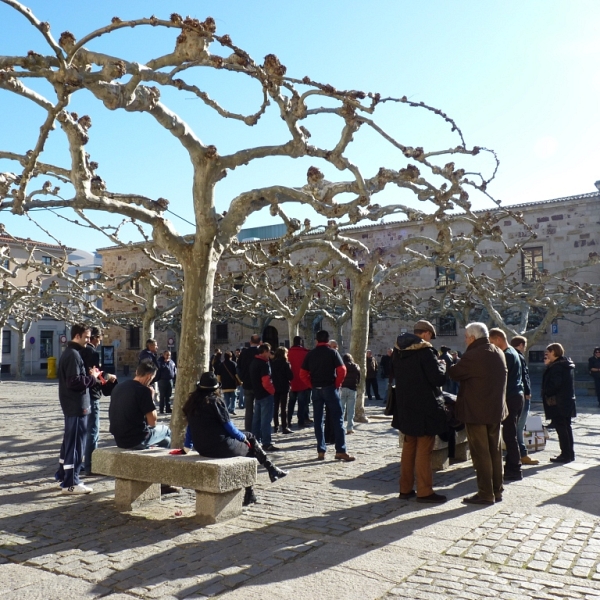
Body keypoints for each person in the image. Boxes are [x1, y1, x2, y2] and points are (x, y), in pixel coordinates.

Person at [183, 372, 287, 506]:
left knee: (248, 443)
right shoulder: (216, 402)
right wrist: (243, 437)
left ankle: (265, 477)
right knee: (250, 442)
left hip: (202, 447)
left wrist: (187, 446)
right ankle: (266, 474)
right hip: (219, 446)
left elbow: (190, 428)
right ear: (215, 388)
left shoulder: (192, 403)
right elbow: (229, 427)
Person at [449, 322, 507, 505]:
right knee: (494, 452)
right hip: (495, 411)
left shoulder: (473, 354)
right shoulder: (498, 351)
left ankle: (485, 493)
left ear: (473, 338)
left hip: (477, 412)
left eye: (466, 337)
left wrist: (449, 363)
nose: (465, 341)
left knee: (481, 454)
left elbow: (454, 373)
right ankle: (497, 490)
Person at [393, 319, 448, 503]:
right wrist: (442, 365)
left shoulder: (398, 352)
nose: (431, 340)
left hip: (405, 406)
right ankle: (424, 491)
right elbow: (438, 379)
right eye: (431, 336)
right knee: (424, 450)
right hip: (424, 407)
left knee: (408, 448)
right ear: (425, 333)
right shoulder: (425, 352)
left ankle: (405, 488)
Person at [55, 323, 101, 494]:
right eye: (87, 337)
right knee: (76, 444)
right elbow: (73, 382)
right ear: (77, 336)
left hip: (72, 404)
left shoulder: (70, 353)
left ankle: (62, 475)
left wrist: (87, 376)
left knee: (69, 442)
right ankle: (71, 482)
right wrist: (93, 379)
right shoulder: (73, 355)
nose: (89, 341)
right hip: (76, 405)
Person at [300, 330, 355, 462]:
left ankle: (321, 450)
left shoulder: (310, 354)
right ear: (327, 340)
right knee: (338, 419)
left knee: (318, 421)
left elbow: (302, 373)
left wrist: (311, 384)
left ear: (316, 340)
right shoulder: (332, 353)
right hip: (330, 388)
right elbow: (342, 370)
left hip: (316, 389)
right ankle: (340, 450)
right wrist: (337, 384)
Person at [78, 326, 117, 477]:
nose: (99, 342)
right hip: (92, 394)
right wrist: (109, 377)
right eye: (99, 339)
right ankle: (91, 465)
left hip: (80, 395)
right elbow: (96, 374)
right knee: (92, 431)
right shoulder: (92, 352)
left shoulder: (78, 351)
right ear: (94, 338)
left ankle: (80, 463)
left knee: (82, 431)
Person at [109, 360, 171, 450]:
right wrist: (151, 398)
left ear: (137, 372)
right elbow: (152, 422)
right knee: (166, 430)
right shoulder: (143, 390)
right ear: (150, 376)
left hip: (119, 439)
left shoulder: (118, 387)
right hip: (137, 439)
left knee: (166, 440)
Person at [489, 328, 524, 482]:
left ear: (497, 339)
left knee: (510, 435)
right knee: (511, 434)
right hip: (516, 395)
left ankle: (515, 468)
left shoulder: (507, 355)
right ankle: (512, 465)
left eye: (491, 342)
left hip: (511, 397)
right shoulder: (514, 352)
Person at [542, 343, 576, 463]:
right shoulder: (564, 364)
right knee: (566, 428)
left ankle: (566, 454)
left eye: (548, 353)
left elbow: (555, 384)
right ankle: (569, 453)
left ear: (554, 352)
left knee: (562, 429)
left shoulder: (557, 367)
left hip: (558, 402)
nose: (546, 355)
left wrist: (546, 391)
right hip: (566, 401)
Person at [510, 335, 539, 466]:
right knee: (519, 427)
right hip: (521, 395)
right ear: (521, 345)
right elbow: (523, 377)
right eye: (525, 345)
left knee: (517, 427)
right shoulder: (518, 356)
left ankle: (519, 453)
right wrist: (527, 392)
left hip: (516, 394)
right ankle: (522, 453)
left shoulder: (511, 355)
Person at [249, 342, 278, 451]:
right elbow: (266, 381)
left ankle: (255, 441)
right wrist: (272, 391)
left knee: (256, 419)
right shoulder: (264, 364)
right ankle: (266, 442)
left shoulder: (254, 362)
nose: (270, 353)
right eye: (269, 351)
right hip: (265, 394)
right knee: (266, 420)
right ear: (265, 352)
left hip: (258, 394)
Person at [237, 334, 261, 431]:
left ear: (250, 342)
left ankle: (248, 430)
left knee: (249, 410)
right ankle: (257, 430)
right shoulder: (261, 352)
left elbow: (238, 368)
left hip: (247, 384)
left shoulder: (244, 353)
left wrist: (242, 379)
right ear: (260, 342)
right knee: (259, 410)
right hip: (259, 385)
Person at [287, 336, 312, 428]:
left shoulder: (288, 352)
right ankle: (301, 421)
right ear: (301, 342)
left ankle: (288, 420)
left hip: (291, 381)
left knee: (291, 402)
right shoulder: (305, 353)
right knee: (302, 403)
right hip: (302, 381)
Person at [271, 346, 293, 434]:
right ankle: (284, 426)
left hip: (275, 387)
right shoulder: (285, 363)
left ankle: (276, 426)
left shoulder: (272, 363)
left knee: (275, 407)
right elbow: (290, 376)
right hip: (284, 387)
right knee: (284, 408)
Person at [340, 354, 360, 434]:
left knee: (341, 409)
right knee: (351, 410)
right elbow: (359, 378)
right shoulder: (356, 367)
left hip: (342, 388)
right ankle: (350, 428)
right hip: (352, 388)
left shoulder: (342, 366)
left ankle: (340, 426)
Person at [156, 350, 177, 414]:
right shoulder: (160, 362)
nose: (168, 356)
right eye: (167, 355)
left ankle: (168, 409)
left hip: (170, 380)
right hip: (162, 381)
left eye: (169, 355)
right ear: (164, 355)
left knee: (168, 396)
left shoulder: (172, 362)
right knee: (162, 396)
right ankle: (161, 409)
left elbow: (174, 370)